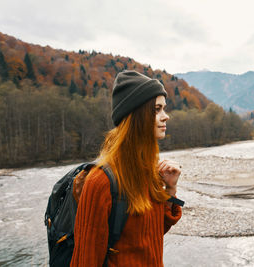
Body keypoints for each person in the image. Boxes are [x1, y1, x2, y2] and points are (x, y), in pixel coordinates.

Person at [70, 70, 182, 266]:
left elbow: (150, 235)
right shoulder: (100, 181)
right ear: (136, 115)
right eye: (157, 109)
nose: (166, 117)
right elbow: (85, 260)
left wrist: (170, 189)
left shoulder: (148, 171)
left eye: (164, 108)